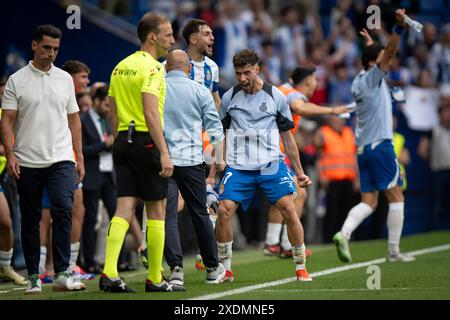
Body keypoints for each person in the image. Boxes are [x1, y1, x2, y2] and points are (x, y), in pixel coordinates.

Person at [1, 24, 86, 294]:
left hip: (62, 159)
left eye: (56, 49)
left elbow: (74, 119)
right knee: (31, 218)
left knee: (63, 209)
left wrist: (79, 156)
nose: (51, 53)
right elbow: (7, 121)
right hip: (27, 161)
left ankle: (62, 272)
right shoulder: (16, 80)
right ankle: (34, 277)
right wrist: (11, 152)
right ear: (34, 45)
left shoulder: (64, 79)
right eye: (47, 47)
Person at [216, 49, 313, 282]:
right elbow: (221, 134)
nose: (241, 78)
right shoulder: (229, 97)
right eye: (238, 73)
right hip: (239, 167)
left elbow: (288, 139)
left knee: (289, 209)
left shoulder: (276, 96)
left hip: (271, 165)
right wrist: (214, 168)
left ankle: (300, 266)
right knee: (223, 211)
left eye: (246, 72)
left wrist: (299, 172)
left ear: (257, 69)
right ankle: (226, 269)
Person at [99, 12, 177, 293]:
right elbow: (150, 111)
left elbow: (112, 109)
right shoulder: (154, 68)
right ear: (152, 36)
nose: (172, 38)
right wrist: (164, 152)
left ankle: (109, 273)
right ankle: (155, 278)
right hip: (146, 141)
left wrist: (119, 138)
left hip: (123, 141)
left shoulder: (120, 66)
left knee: (123, 209)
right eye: (168, 34)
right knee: (156, 211)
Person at [332, 10, 416, 263]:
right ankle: (393, 252)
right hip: (381, 147)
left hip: (363, 151)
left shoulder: (360, 80)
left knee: (369, 202)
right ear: (373, 63)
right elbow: (388, 54)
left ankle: (343, 234)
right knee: (396, 196)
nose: (387, 63)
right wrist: (399, 28)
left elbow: (377, 58)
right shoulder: (372, 77)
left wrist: (370, 43)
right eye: (381, 60)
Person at [264, 66, 349, 257]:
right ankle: (280, 245)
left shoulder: (282, 89)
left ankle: (279, 244)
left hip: (271, 151)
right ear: (309, 81)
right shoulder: (293, 94)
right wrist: (333, 110)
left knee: (295, 195)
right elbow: (299, 107)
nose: (317, 85)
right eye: (315, 80)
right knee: (292, 194)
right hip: (273, 152)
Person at [162, 50, 226, 290]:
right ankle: (211, 268)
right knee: (200, 212)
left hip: (164, 160)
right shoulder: (200, 90)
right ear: (189, 69)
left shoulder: (157, 88)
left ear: (167, 67)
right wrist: (219, 158)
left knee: (168, 215)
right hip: (191, 160)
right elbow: (214, 127)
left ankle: (176, 271)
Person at [80, 84, 116, 274]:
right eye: (106, 105)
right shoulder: (83, 120)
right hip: (92, 176)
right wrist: (103, 145)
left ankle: (117, 260)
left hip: (110, 176)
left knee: (117, 217)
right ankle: (90, 261)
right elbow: (82, 150)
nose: (108, 109)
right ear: (95, 101)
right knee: (90, 220)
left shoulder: (109, 120)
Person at [314, 115, 358, 243]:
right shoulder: (323, 133)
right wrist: (321, 176)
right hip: (331, 180)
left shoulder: (349, 133)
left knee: (348, 212)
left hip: (348, 179)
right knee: (331, 212)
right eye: (336, 118)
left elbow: (353, 156)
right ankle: (328, 240)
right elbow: (319, 157)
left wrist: (356, 179)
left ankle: (347, 238)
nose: (339, 121)